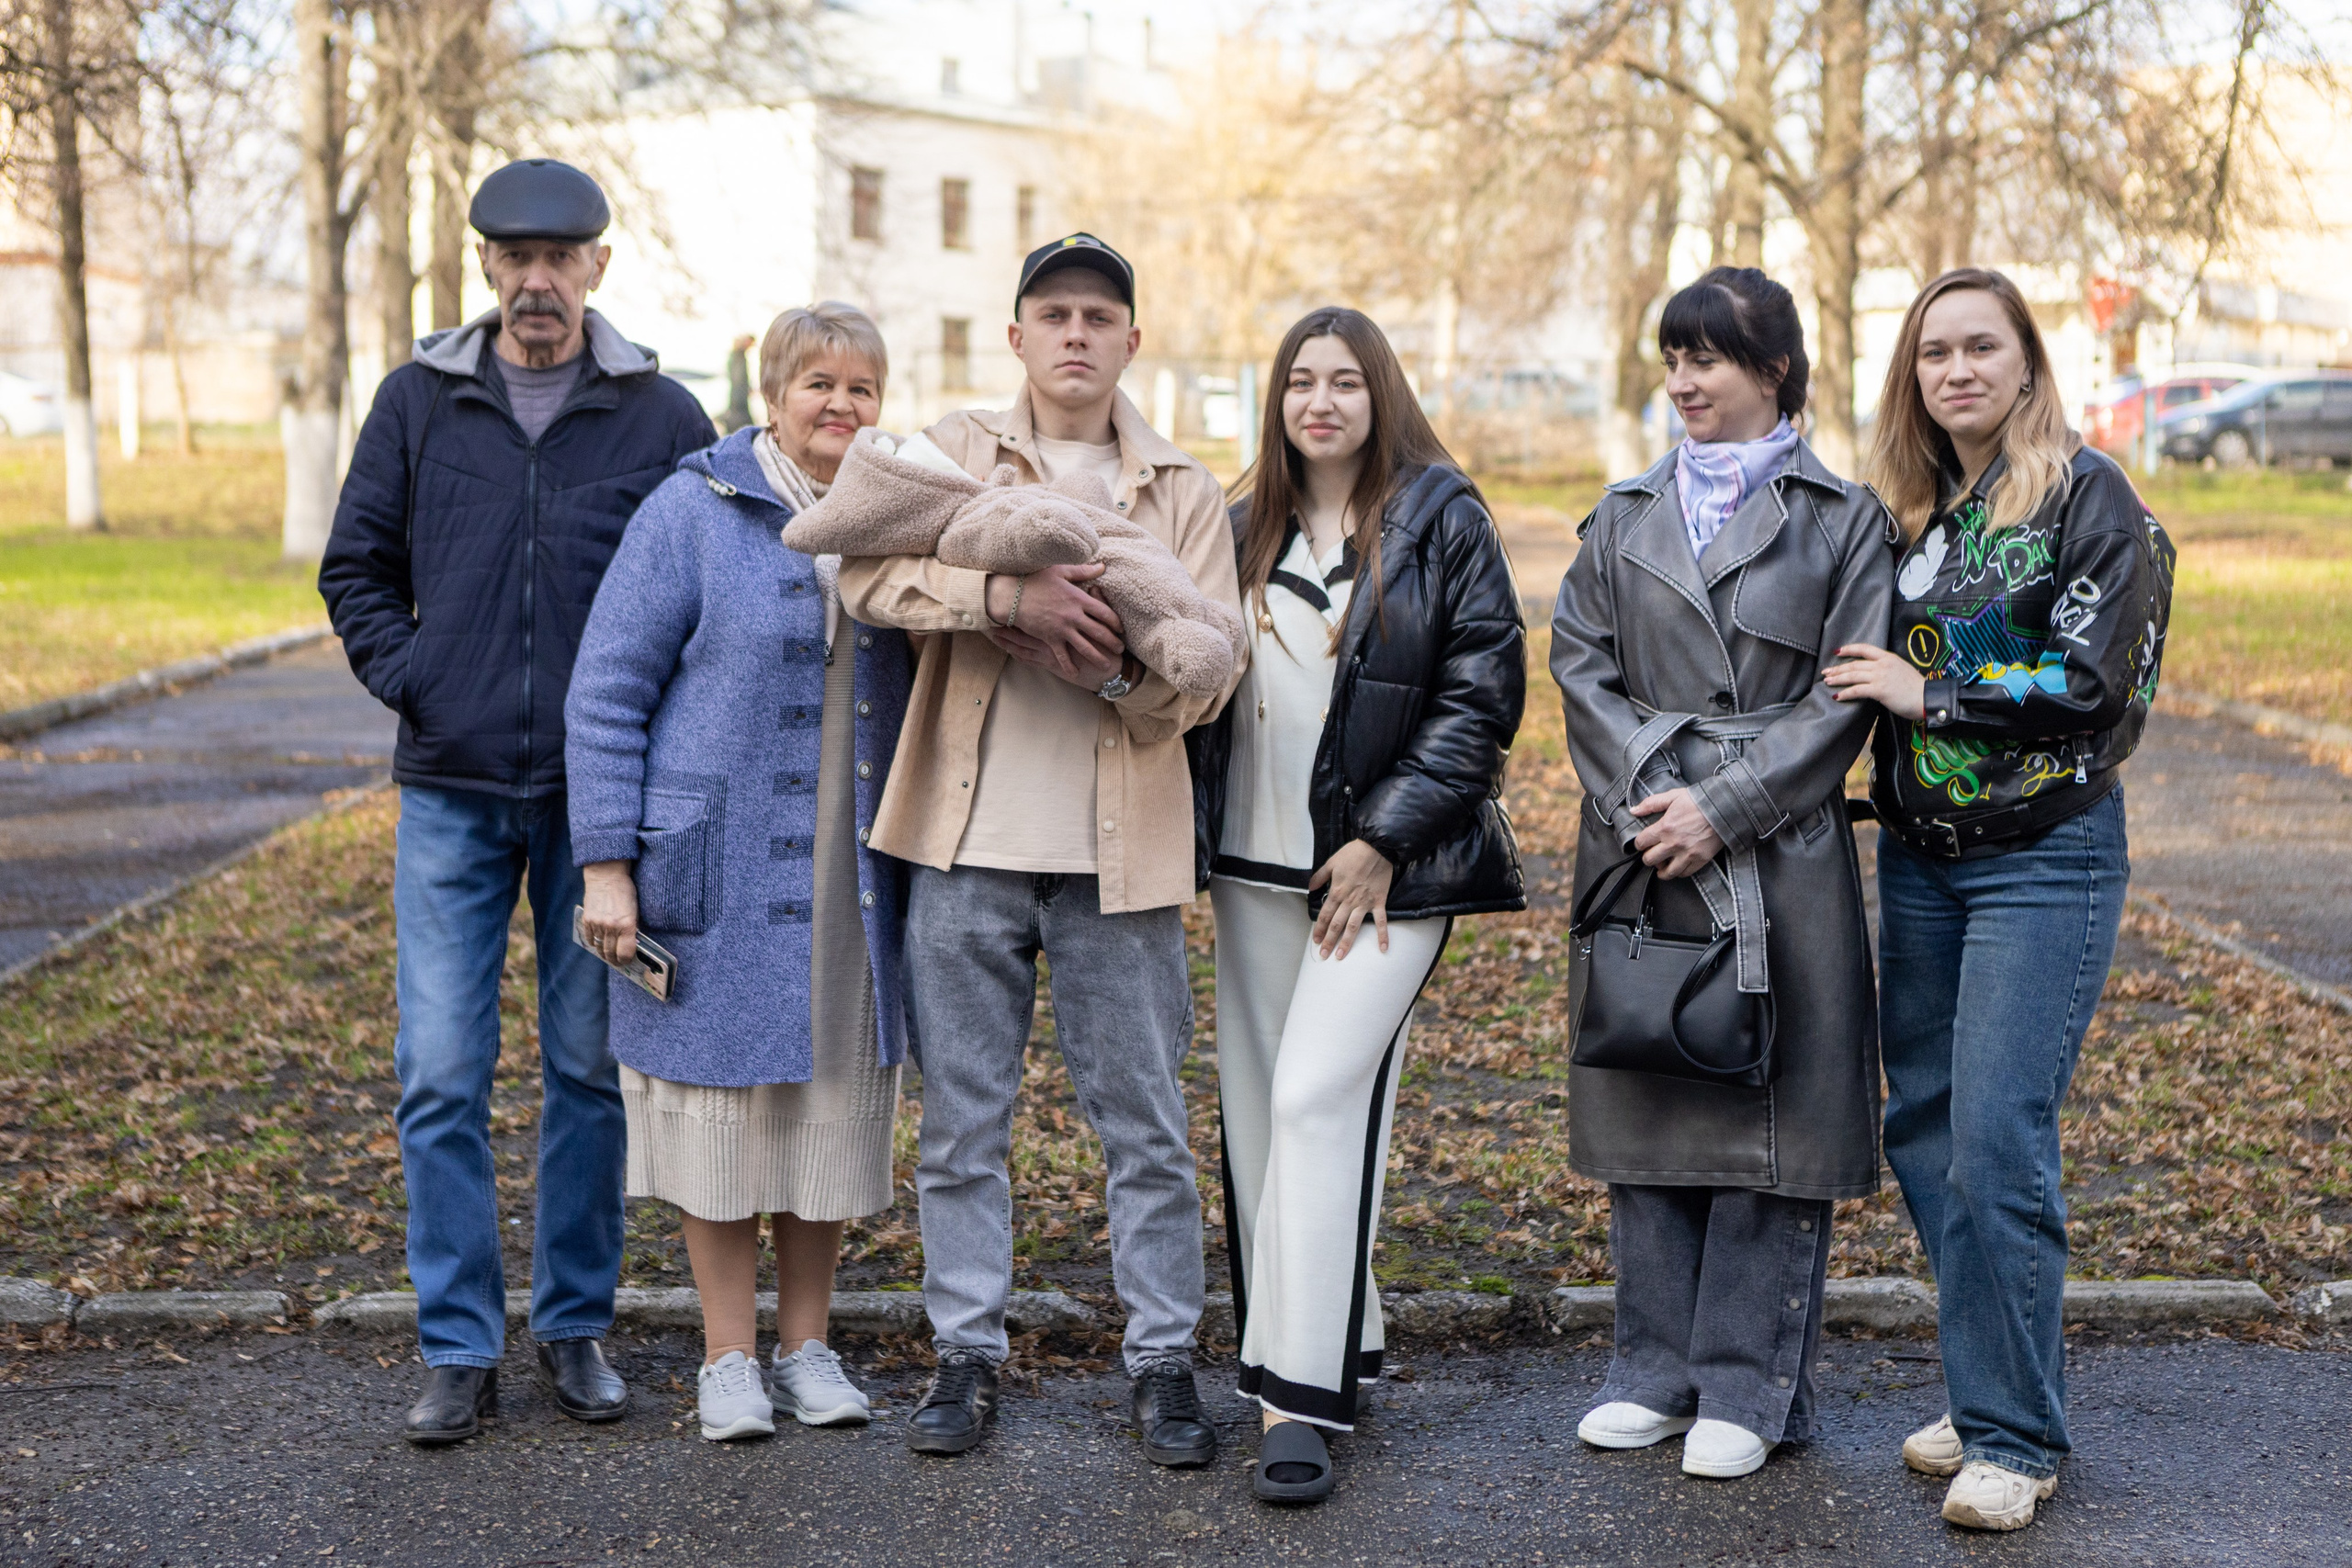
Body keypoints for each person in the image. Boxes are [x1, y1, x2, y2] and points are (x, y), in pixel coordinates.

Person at [317, 158, 717, 1445]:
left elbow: (707, 589)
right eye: (514, 256)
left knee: (586, 1071)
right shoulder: (418, 403)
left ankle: (578, 1326)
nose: (538, 279)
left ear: (600, 265)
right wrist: (419, 680)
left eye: (563, 257)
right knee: (438, 1072)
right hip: (453, 788)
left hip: (602, 808)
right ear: (484, 266)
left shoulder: (662, 417)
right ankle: (456, 1343)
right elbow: (355, 566)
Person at [835, 233, 1243, 1466]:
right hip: (964, 849)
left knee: (1148, 1126)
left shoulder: (1185, 491)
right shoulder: (954, 451)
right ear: (1016, 335)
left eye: (1099, 315)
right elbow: (865, 574)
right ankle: (966, 1351)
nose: (1076, 333)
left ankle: (1165, 1361)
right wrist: (1001, 601)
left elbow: (1211, 677)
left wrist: (1118, 665)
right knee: (963, 1123)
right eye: (1053, 313)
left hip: (1124, 862)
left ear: (1131, 339)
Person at [1825, 267, 2173, 1532]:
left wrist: (1938, 699)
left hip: (2045, 857)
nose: (1958, 370)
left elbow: (2098, 683)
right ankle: (1989, 1394)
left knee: (1996, 1139)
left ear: (2028, 362)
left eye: (1983, 347)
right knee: (1922, 1128)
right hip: (1921, 859)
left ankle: (2017, 1438)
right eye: (1935, 354)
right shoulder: (1917, 512)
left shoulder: (2090, 497)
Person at [1549, 266, 1894, 1481]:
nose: (1687, 382)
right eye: (1675, 359)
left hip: (1778, 850)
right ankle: (1652, 1369)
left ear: (1778, 371)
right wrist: (1653, 796)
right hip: (1644, 836)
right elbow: (1578, 661)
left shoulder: (1844, 519)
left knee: (1768, 1114)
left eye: (1712, 359)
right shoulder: (1622, 510)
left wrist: (1727, 803)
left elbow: (1845, 698)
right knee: (1652, 1079)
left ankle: (1752, 1383)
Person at [1188, 307, 1523, 1504]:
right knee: (1260, 1116)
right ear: (1274, 401)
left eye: (1344, 381)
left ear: (1382, 391)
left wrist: (1383, 839)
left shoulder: (1443, 517)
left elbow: (1482, 701)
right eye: (1298, 382)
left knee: (1319, 1096)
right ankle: (1346, 1332)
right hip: (1249, 867)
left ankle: (1295, 1395)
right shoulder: (1233, 529)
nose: (1320, 400)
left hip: (1386, 875)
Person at [565, 302, 910, 1443]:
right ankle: (726, 1359)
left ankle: (809, 1347)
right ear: (771, 395)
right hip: (707, 867)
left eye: (861, 388)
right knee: (719, 1116)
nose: (840, 407)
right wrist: (607, 867)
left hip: (849, 875)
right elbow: (607, 691)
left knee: (821, 1109)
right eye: (818, 383)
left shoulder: (898, 518)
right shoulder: (692, 510)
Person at [719, 333, 756, 433]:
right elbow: (738, 376)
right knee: (740, 417)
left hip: (739, 391)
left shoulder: (739, 355)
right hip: (738, 392)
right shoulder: (738, 356)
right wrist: (743, 388)